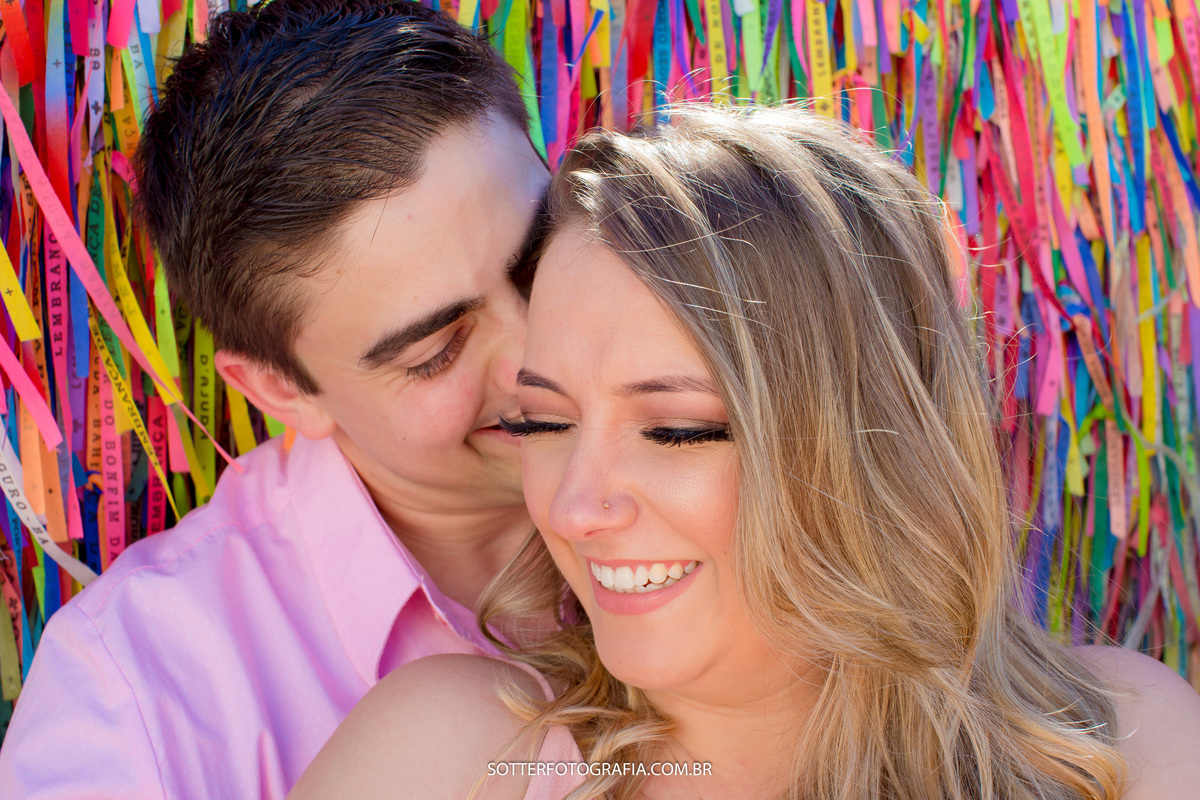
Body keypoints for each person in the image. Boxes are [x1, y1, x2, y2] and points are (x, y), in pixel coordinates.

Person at [291, 105, 1200, 800]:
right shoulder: (458, 759)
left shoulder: (1121, 745)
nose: (572, 509)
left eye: (675, 430)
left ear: (863, 438)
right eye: (545, 424)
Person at [0, 1, 549, 797]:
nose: (541, 351)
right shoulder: (132, 706)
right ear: (281, 390)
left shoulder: (757, 448)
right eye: (439, 350)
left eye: (539, 256)